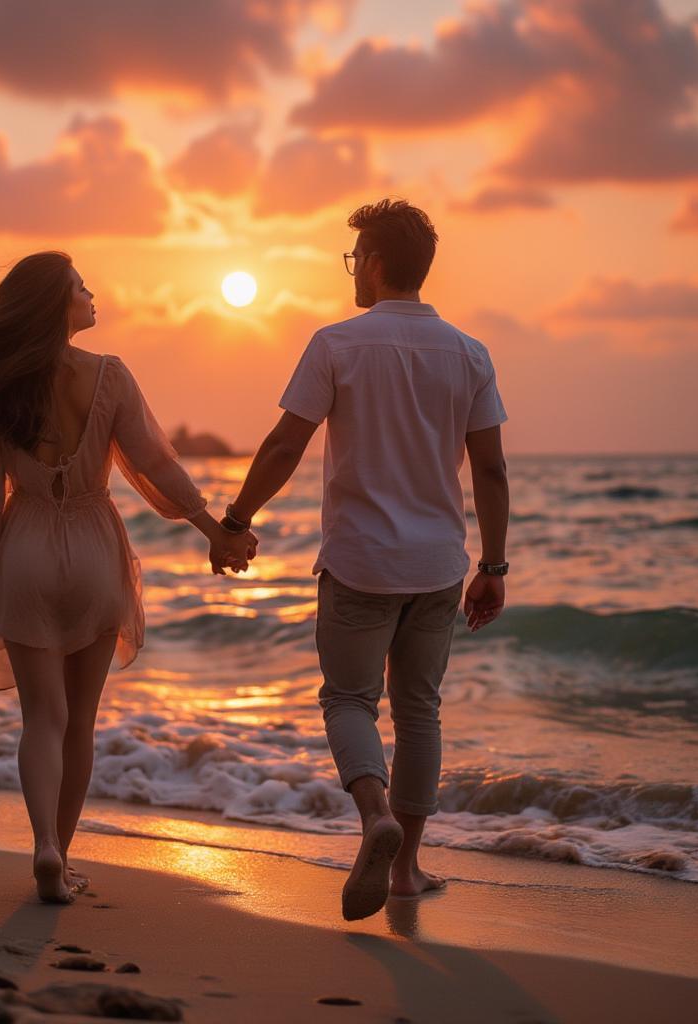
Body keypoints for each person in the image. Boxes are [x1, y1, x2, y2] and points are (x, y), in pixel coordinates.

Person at [0, 252, 255, 904]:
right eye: (80, 287)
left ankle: (44, 845)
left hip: (27, 552)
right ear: (57, 305)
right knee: (81, 722)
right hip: (96, 552)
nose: (92, 294)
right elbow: (155, 464)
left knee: (42, 719)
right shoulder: (109, 376)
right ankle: (62, 861)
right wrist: (215, 531)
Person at [222, 199, 509, 920]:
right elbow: (491, 470)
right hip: (440, 564)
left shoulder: (337, 344)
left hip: (359, 562)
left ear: (375, 264)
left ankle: (373, 813)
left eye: (356, 258)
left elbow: (286, 444)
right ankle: (407, 870)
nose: (353, 271)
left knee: (349, 700)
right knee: (420, 711)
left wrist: (235, 519)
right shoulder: (470, 353)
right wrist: (494, 566)